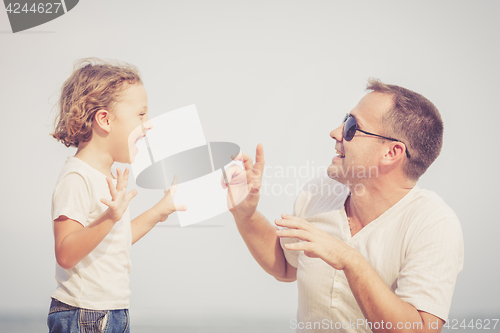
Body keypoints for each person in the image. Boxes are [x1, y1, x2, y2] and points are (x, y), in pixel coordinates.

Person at [223, 79, 463, 333]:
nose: (335, 132)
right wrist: (245, 214)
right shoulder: (318, 192)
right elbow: (285, 265)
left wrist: (350, 260)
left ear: (391, 153)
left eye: (352, 126)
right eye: (344, 120)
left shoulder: (434, 224)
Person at [48, 58, 186, 332]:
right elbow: (65, 253)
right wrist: (111, 217)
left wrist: (160, 209)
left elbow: (115, 240)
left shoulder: (106, 177)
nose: (148, 124)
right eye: (141, 114)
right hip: (85, 313)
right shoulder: (77, 177)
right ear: (105, 119)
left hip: (110, 311)